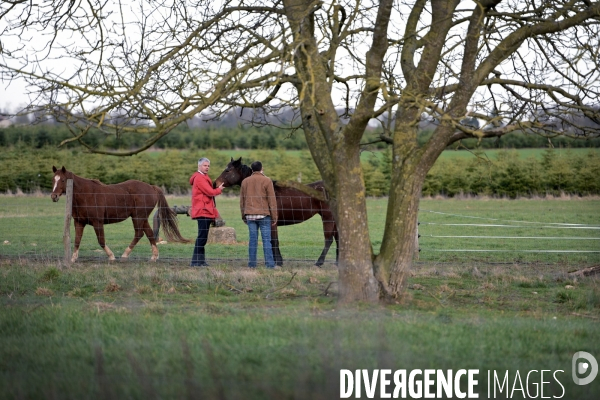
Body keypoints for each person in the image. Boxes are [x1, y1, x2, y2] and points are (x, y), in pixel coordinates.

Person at [240, 161, 278, 269]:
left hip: (250, 215)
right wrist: (274, 216)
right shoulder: (267, 180)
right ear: (262, 168)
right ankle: (269, 265)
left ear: (252, 170)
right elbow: (272, 200)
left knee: (253, 240)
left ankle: (252, 264)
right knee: (266, 240)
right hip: (264, 215)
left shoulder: (245, 181)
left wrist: (243, 215)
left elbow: (242, 201)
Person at [189, 157, 224, 267]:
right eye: (205, 165)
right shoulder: (200, 178)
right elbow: (209, 192)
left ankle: (200, 261)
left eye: (208, 166)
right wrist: (219, 190)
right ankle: (196, 261)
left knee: (203, 237)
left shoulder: (203, 177)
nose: (207, 167)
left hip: (206, 210)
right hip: (203, 210)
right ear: (199, 166)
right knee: (202, 237)